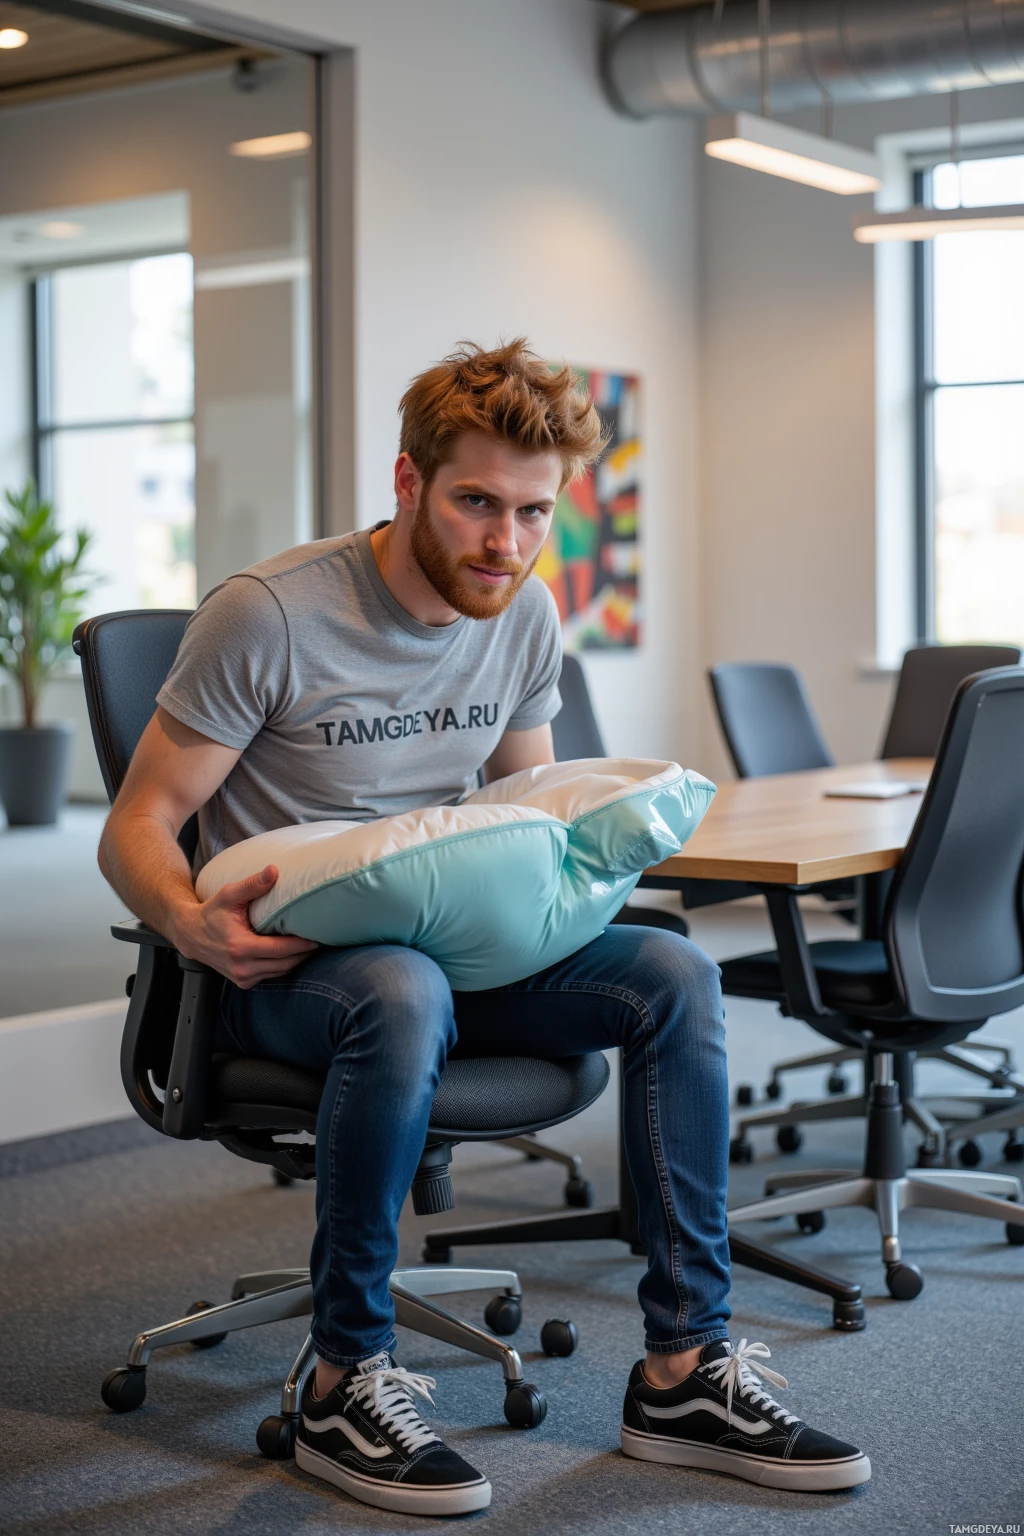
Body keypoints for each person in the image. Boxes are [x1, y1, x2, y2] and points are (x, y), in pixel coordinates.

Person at [98, 339, 871, 1518]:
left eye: (531, 512)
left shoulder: (522, 615)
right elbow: (136, 825)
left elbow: (524, 818)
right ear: (409, 484)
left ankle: (680, 1370)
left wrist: (598, 856)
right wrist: (192, 925)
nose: (502, 542)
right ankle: (343, 1377)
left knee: (671, 969)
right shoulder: (270, 616)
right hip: (289, 970)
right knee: (398, 987)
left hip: (454, 956)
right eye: (473, 503)